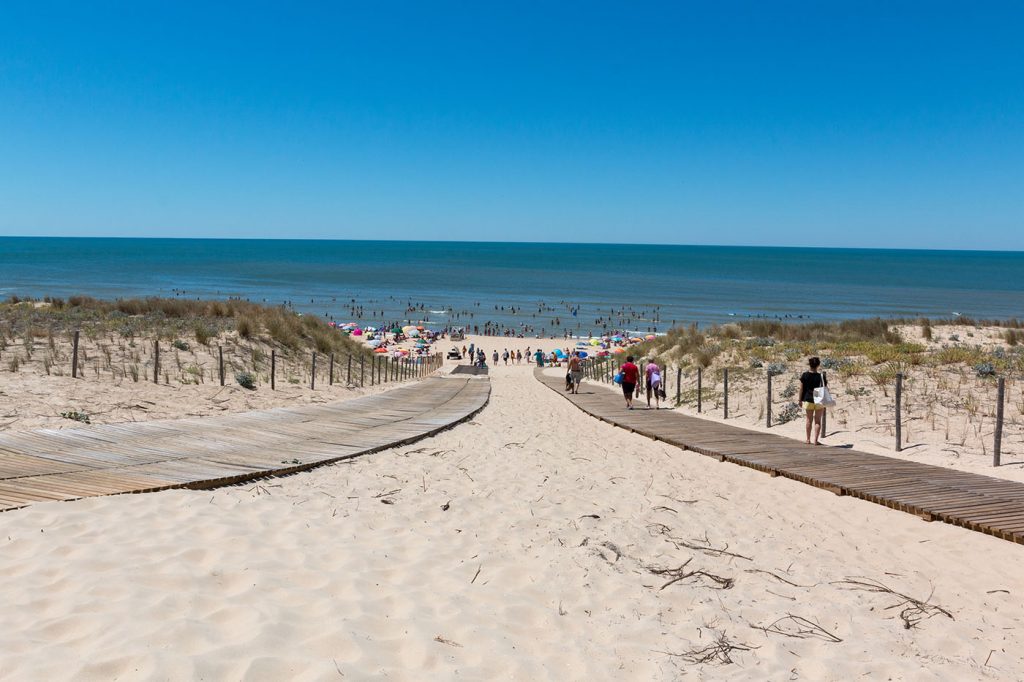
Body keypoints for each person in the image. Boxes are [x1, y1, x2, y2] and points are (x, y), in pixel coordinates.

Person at [799, 357, 827, 445]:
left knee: (808, 420)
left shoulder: (805, 375)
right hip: (818, 398)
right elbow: (825, 388)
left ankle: (807, 439)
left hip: (808, 398)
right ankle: (815, 440)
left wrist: (800, 399)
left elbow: (801, 388)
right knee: (818, 420)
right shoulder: (821, 376)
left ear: (809, 364)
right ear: (818, 365)